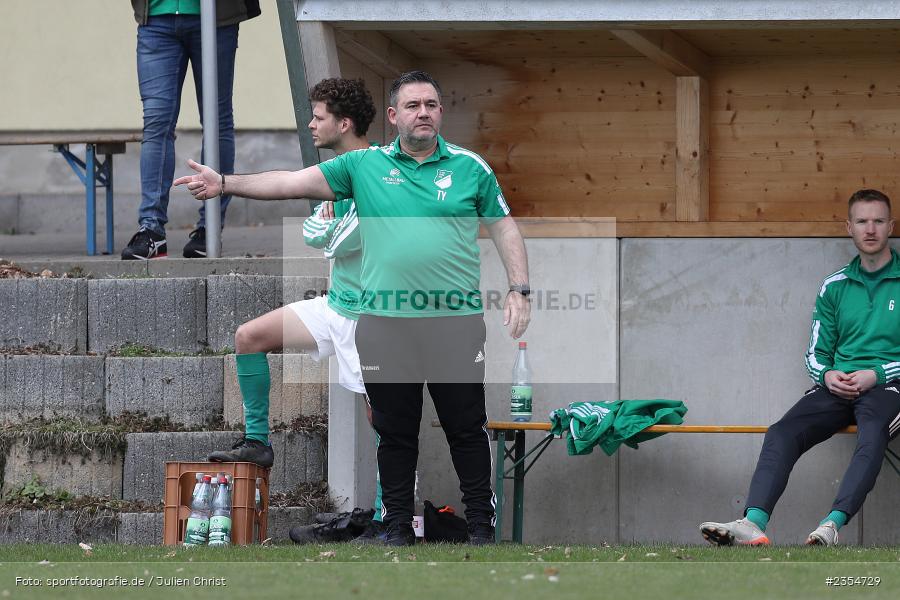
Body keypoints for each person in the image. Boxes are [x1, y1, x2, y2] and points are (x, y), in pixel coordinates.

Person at [175, 70, 531, 547]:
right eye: (412, 105)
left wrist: (519, 289)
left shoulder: (470, 167)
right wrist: (225, 184)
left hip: (454, 323)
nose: (422, 112)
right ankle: (397, 528)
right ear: (393, 116)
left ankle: (482, 532)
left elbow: (504, 227)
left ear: (440, 112)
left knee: (465, 430)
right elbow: (290, 182)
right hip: (384, 325)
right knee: (394, 432)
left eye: (430, 104)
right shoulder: (363, 166)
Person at [201, 77, 387, 542]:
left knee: (383, 417)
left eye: (318, 116)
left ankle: (392, 514)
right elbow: (298, 204)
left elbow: (340, 236)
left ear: (343, 124)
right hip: (336, 304)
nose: (311, 124)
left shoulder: (379, 170)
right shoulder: (337, 171)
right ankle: (258, 443)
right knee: (250, 337)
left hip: (373, 318)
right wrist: (224, 183)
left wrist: (328, 229)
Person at [700, 189, 900, 547]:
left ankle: (831, 526)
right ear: (849, 227)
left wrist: (879, 374)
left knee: (872, 433)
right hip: (838, 387)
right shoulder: (834, 286)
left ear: (891, 226)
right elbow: (815, 353)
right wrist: (827, 375)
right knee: (781, 431)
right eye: (862, 221)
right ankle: (753, 523)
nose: (870, 229)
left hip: (890, 388)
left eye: (878, 221)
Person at [123, 0, 260, 260]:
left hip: (216, 17)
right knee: (156, 123)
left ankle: (209, 228)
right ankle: (151, 229)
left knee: (216, 121)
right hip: (156, 17)